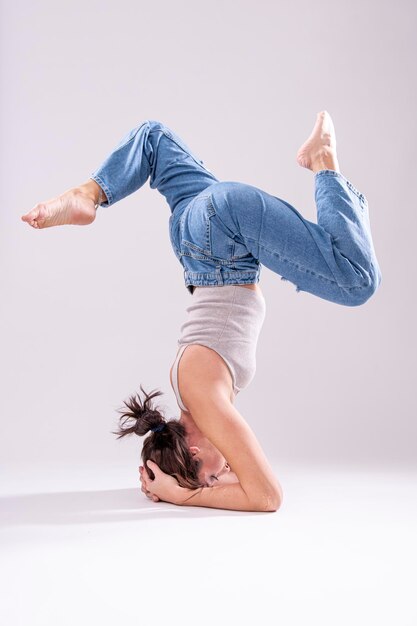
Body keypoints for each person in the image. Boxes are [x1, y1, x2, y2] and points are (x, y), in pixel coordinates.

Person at [21, 111, 382, 512]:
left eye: (210, 474)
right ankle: (88, 193)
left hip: (223, 236)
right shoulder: (190, 391)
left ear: (193, 451)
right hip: (195, 237)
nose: (223, 472)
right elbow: (238, 478)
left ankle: (324, 160)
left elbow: (265, 495)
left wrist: (185, 494)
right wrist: (178, 480)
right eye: (214, 479)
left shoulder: (206, 403)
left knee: (356, 281)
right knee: (153, 139)